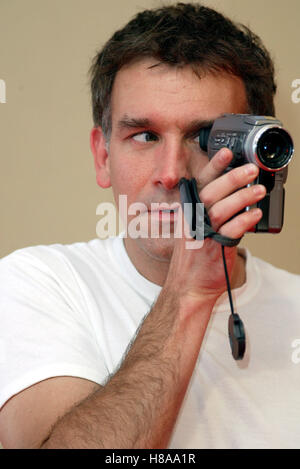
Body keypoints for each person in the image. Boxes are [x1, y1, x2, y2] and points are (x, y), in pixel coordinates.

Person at [0, 2, 299, 449]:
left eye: (205, 138)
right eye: (144, 136)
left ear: (254, 156)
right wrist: (191, 293)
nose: (170, 171)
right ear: (103, 156)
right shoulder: (37, 285)